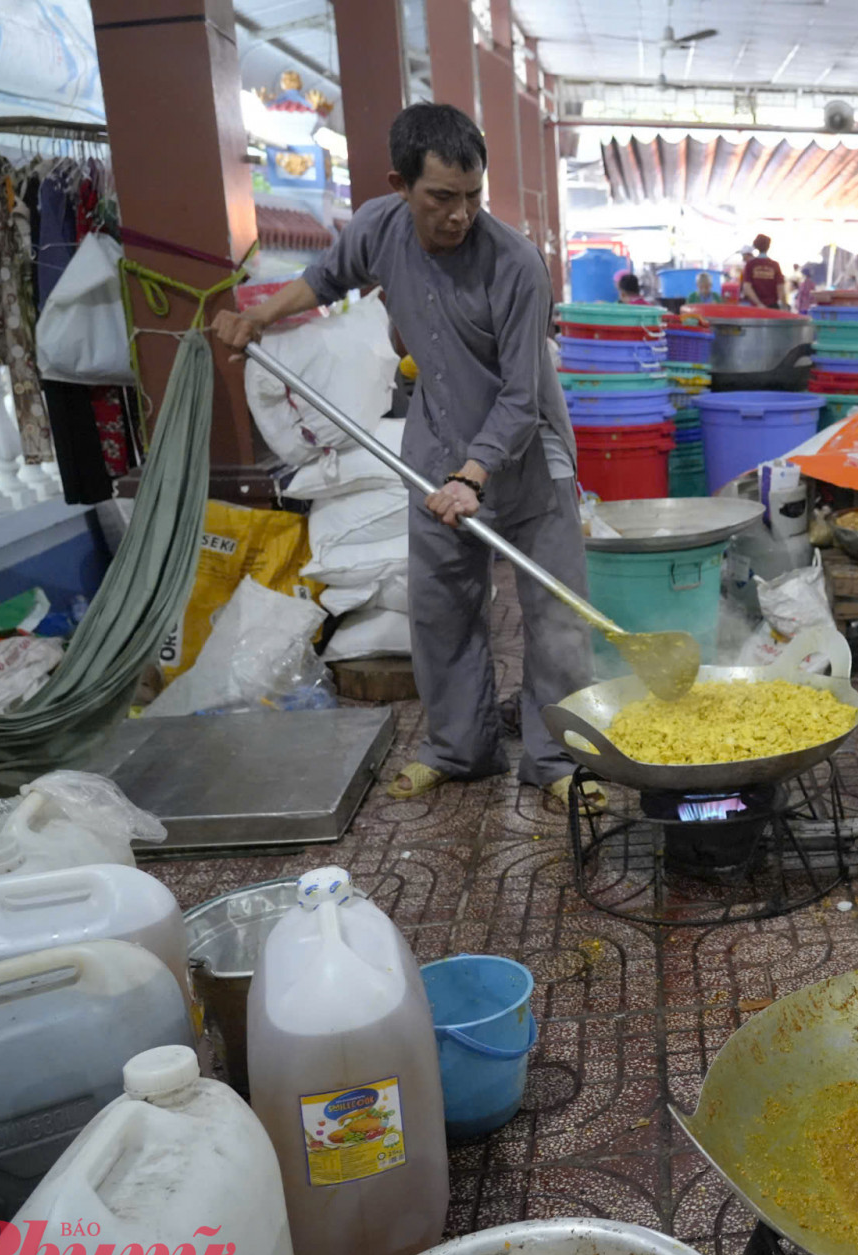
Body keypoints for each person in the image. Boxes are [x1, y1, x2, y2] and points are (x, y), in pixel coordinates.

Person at [210, 103, 597, 811]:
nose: (459, 215)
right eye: (441, 198)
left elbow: (520, 396)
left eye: (473, 197)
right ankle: (459, 748)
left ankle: (558, 757)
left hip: (528, 461)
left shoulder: (515, 264)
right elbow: (326, 277)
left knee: (558, 618)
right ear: (400, 184)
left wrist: (473, 474)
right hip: (437, 451)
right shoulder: (379, 230)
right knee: (442, 612)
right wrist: (258, 317)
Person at [740, 235, 786, 309]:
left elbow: (747, 287)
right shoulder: (775, 265)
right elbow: (780, 287)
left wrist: (759, 304)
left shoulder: (750, 265)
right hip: (773, 307)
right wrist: (781, 303)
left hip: (755, 308)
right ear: (768, 247)